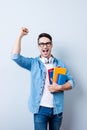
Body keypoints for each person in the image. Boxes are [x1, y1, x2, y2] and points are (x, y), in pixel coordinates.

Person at [11, 27, 75, 130]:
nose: (45, 46)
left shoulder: (60, 64)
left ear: (51, 45)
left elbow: (72, 82)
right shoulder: (33, 63)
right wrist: (20, 36)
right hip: (40, 110)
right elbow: (15, 57)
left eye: (47, 43)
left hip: (57, 110)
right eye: (41, 44)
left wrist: (60, 87)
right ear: (38, 46)